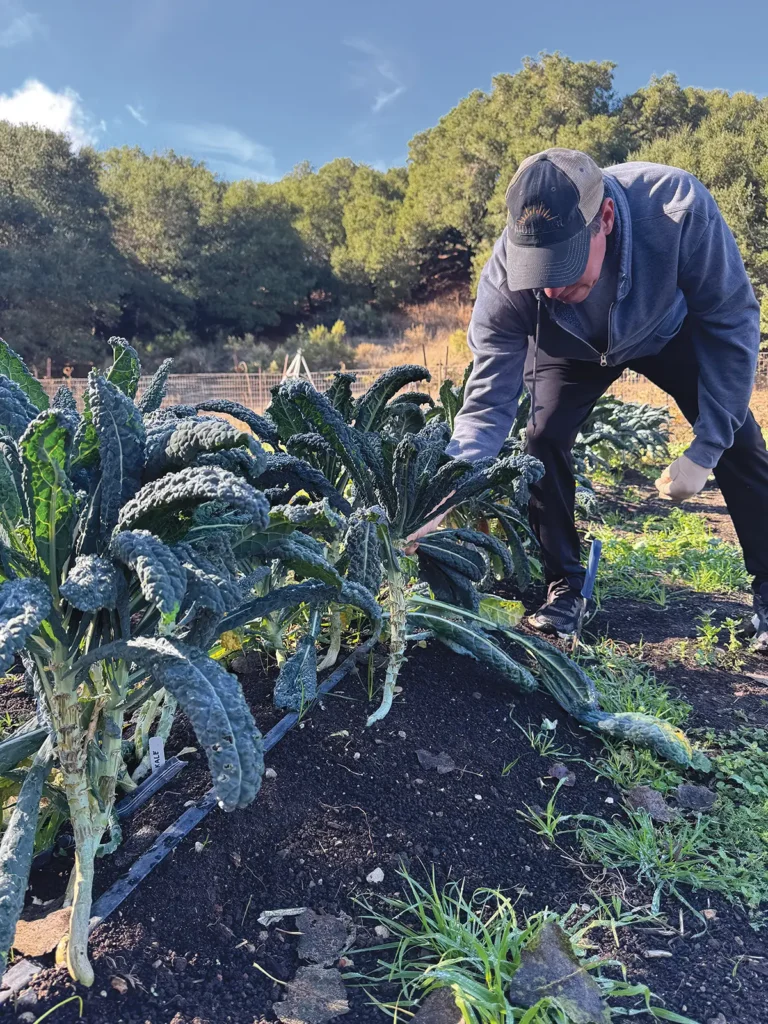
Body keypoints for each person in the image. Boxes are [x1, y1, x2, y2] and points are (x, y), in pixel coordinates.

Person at [407, 147, 768, 645]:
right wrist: (446, 493)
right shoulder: (504, 280)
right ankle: (564, 588)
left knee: (741, 443)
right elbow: (488, 401)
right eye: (540, 273)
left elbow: (731, 322)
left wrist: (706, 449)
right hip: (568, 348)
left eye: (565, 267)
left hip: (664, 331)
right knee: (542, 440)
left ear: (606, 218)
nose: (551, 289)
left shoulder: (677, 209)